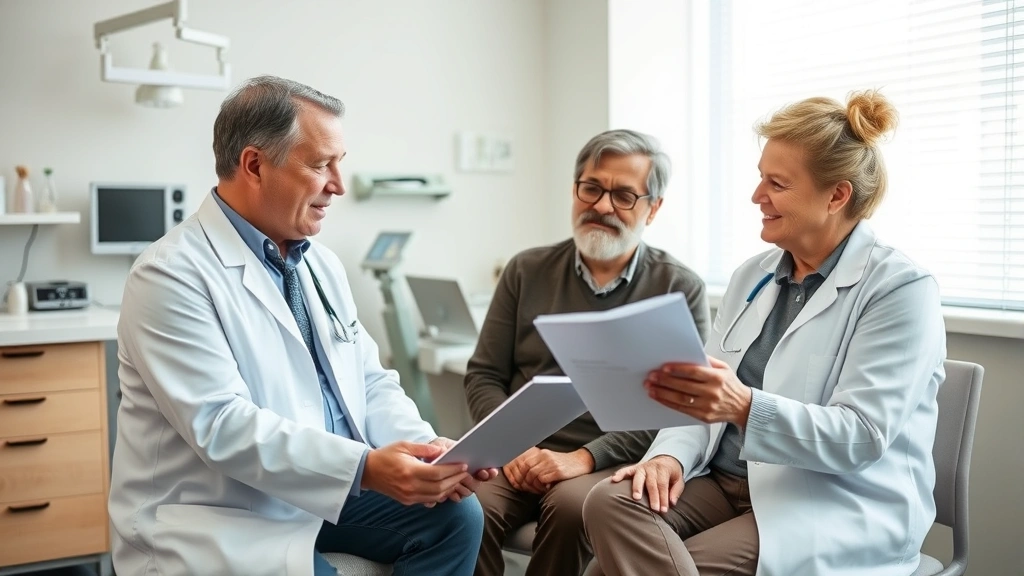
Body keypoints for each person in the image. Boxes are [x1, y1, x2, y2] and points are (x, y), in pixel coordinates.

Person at [108, 75, 494, 576]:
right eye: (319, 165)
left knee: (456, 517)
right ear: (254, 165)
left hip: (319, 490)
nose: (339, 185)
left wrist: (429, 451)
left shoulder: (319, 264)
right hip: (220, 511)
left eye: (339, 164)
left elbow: (371, 381)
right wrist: (364, 468)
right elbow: (222, 425)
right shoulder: (170, 273)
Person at [582, 90, 946, 576]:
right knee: (609, 503)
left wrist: (744, 406)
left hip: (824, 501)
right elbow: (699, 394)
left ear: (837, 195)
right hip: (725, 481)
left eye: (777, 183)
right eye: (760, 178)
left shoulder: (900, 289)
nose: (757, 196)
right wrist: (668, 457)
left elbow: (861, 437)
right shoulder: (752, 277)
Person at [465, 129, 710, 576]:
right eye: (592, 188)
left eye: (623, 196)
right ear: (575, 190)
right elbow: (483, 374)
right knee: (466, 508)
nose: (601, 206)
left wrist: (583, 459)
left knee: (572, 506)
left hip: (607, 461)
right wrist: (512, 445)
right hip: (519, 454)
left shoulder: (678, 287)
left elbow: (679, 407)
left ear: (652, 209)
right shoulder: (526, 269)